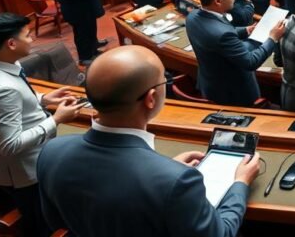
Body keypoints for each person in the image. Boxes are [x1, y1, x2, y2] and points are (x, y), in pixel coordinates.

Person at [37, 45, 260, 237]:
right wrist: (239, 183)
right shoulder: (177, 181)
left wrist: (164, 169)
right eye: (165, 80)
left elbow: (57, 224)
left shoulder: (52, 151)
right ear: (151, 98)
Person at [0, 13, 82, 237]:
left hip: (1, 167)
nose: (32, 40)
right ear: (11, 43)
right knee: (43, 224)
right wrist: (56, 119)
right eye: (27, 36)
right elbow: (9, 145)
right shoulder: (3, 88)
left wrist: (43, 99)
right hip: (24, 175)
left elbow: (12, 98)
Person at [188, 0, 284, 106]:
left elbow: (218, 32)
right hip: (233, 93)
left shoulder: (192, 17)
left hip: (211, 82)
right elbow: (250, 62)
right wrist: (273, 38)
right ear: (218, 1)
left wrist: (245, 30)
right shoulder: (222, 34)